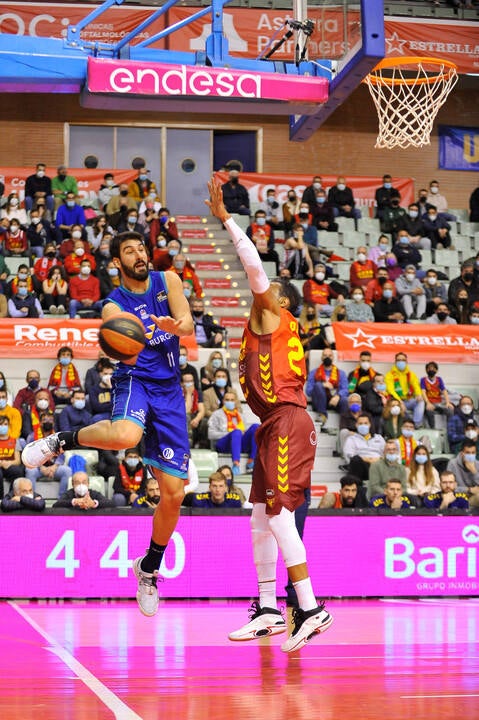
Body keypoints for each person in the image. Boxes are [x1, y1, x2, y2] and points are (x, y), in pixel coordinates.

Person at [22, 229, 194, 617]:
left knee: (173, 495)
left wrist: (174, 326)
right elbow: (120, 339)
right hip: (135, 381)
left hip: (169, 391)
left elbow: (186, 322)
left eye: (141, 249)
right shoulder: (113, 305)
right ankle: (60, 439)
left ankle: (148, 568)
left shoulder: (168, 280)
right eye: (129, 251)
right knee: (124, 435)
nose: (139, 254)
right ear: (116, 262)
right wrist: (132, 339)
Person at [206, 178, 333, 652]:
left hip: (288, 419)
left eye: (271, 292)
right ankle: (265, 608)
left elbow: (255, 269)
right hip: (271, 425)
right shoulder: (260, 328)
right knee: (259, 517)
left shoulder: (274, 316)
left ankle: (311, 606)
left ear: (282, 303)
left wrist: (226, 222)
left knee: (279, 517)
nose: (261, 293)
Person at [207, 389, 259, 475]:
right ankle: (236, 464)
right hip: (224, 444)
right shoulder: (216, 414)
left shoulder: (240, 415)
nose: (229, 402)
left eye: (232, 400)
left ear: (235, 402)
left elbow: (244, 433)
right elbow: (210, 434)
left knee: (255, 427)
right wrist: (231, 433)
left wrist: (236, 433)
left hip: (238, 444)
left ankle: (251, 461)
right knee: (237, 432)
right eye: (227, 400)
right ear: (223, 401)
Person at [24, 410, 71, 495]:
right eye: (45, 420)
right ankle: (31, 497)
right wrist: (41, 467)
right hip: (37, 467)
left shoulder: (58, 437)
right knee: (30, 471)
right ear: (40, 423)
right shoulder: (32, 436)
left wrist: (54, 467)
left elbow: (61, 455)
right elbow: (30, 455)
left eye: (50, 420)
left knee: (67, 471)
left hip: (53, 466)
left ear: (53, 423)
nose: (48, 422)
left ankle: (61, 498)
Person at [305, 348, 349, 428]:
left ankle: (345, 426)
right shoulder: (314, 372)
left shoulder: (341, 373)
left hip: (334, 401)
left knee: (344, 400)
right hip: (318, 402)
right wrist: (322, 385)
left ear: (333, 357)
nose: (327, 357)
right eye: (325, 355)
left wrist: (338, 396)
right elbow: (308, 391)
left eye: (330, 355)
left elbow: (345, 389)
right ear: (321, 357)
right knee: (318, 385)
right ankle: (322, 415)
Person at [342, 413, 385, 484]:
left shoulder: (379, 438)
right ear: (356, 425)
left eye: (365, 423)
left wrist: (378, 459)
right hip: (362, 466)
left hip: (378, 465)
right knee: (355, 460)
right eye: (360, 423)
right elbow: (349, 457)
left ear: (370, 425)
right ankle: (357, 488)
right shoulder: (351, 439)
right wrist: (367, 459)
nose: (363, 425)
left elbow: (385, 454)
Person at [385, 353, 425, 427]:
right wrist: (400, 402)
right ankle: (406, 425)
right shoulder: (389, 375)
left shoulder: (410, 374)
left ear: (406, 362)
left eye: (403, 360)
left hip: (408, 400)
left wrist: (418, 394)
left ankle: (416, 424)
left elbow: (416, 385)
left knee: (421, 401)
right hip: (396, 401)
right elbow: (390, 390)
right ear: (395, 362)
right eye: (399, 360)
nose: (401, 362)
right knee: (397, 407)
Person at [420, 361, 454, 429]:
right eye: (429, 368)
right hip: (430, 403)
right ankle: (433, 429)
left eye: (433, 368)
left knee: (450, 410)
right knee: (429, 411)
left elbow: (444, 391)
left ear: (436, 370)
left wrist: (447, 402)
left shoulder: (439, 379)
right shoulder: (423, 380)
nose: (431, 369)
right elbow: (423, 392)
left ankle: (450, 429)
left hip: (439, 403)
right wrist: (428, 403)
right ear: (426, 370)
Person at [446, 440, 479, 508]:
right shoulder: (452, 464)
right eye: (467, 453)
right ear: (462, 453)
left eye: (473, 453)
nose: (470, 455)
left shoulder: (477, 464)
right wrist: (468, 489)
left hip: (473, 497)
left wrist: (474, 472)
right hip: (458, 497)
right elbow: (448, 487)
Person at [0, 414, 24, 498]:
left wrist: (8, 463)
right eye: (1, 424)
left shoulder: (14, 441)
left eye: (5, 424)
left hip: (9, 465)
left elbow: (18, 461)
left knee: (18, 471)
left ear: (9, 426)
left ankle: (10, 496)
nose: (3, 426)